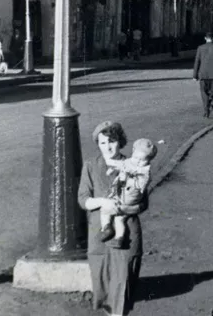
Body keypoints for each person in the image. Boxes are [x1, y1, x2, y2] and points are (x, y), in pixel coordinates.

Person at [78, 121, 148, 316]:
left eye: (112, 141)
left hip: (127, 236)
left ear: (121, 141)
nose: (108, 147)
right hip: (100, 233)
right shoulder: (91, 166)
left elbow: (144, 203)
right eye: (102, 143)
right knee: (103, 285)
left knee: (123, 284)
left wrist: (125, 208)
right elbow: (83, 199)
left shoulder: (133, 166)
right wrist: (103, 202)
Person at [99, 138, 157, 249]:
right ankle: (110, 231)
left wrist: (127, 171)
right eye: (135, 157)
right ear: (133, 153)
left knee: (115, 215)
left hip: (130, 198)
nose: (137, 161)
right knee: (114, 216)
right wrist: (113, 169)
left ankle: (115, 233)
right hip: (120, 192)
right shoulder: (130, 161)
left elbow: (137, 176)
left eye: (142, 160)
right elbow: (123, 164)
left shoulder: (145, 171)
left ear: (149, 160)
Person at [193, 31, 213, 118]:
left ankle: (206, 111)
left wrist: (195, 75)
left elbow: (197, 62)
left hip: (203, 74)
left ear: (205, 38)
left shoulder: (200, 48)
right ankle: (212, 104)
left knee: (204, 93)